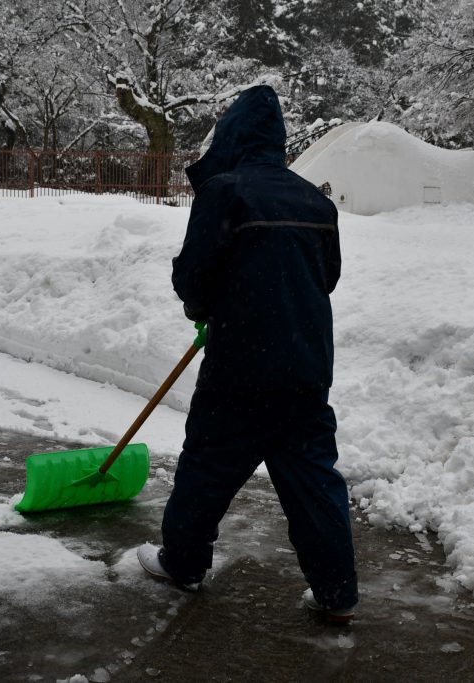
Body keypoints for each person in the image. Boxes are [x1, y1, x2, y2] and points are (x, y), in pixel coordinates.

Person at [136, 85, 358, 623]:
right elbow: (325, 278)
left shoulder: (226, 191)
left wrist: (204, 307)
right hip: (306, 369)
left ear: (234, 135)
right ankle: (337, 594)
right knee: (314, 483)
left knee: (206, 469)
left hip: (240, 369)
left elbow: (195, 274)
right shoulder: (316, 201)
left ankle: (183, 565)